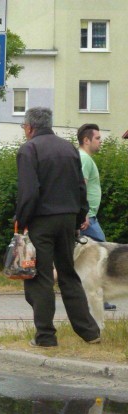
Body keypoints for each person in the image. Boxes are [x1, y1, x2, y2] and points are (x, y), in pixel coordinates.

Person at [16, 107, 101, 347]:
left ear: (31, 127)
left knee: (41, 278)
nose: (25, 132)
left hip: (41, 220)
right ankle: (90, 332)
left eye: (24, 127)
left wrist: (20, 222)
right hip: (67, 219)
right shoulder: (68, 148)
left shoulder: (28, 150)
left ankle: (45, 336)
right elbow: (80, 188)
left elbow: (28, 192)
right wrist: (78, 218)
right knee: (68, 275)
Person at [77, 123, 116, 311]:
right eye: (98, 138)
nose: (101, 141)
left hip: (88, 215)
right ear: (86, 140)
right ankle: (100, 297)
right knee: (104, 254)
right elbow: (80, 187)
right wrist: (83, 213)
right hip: (88, 217)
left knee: (85, 257)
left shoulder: (84, 158)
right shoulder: (84, 159)